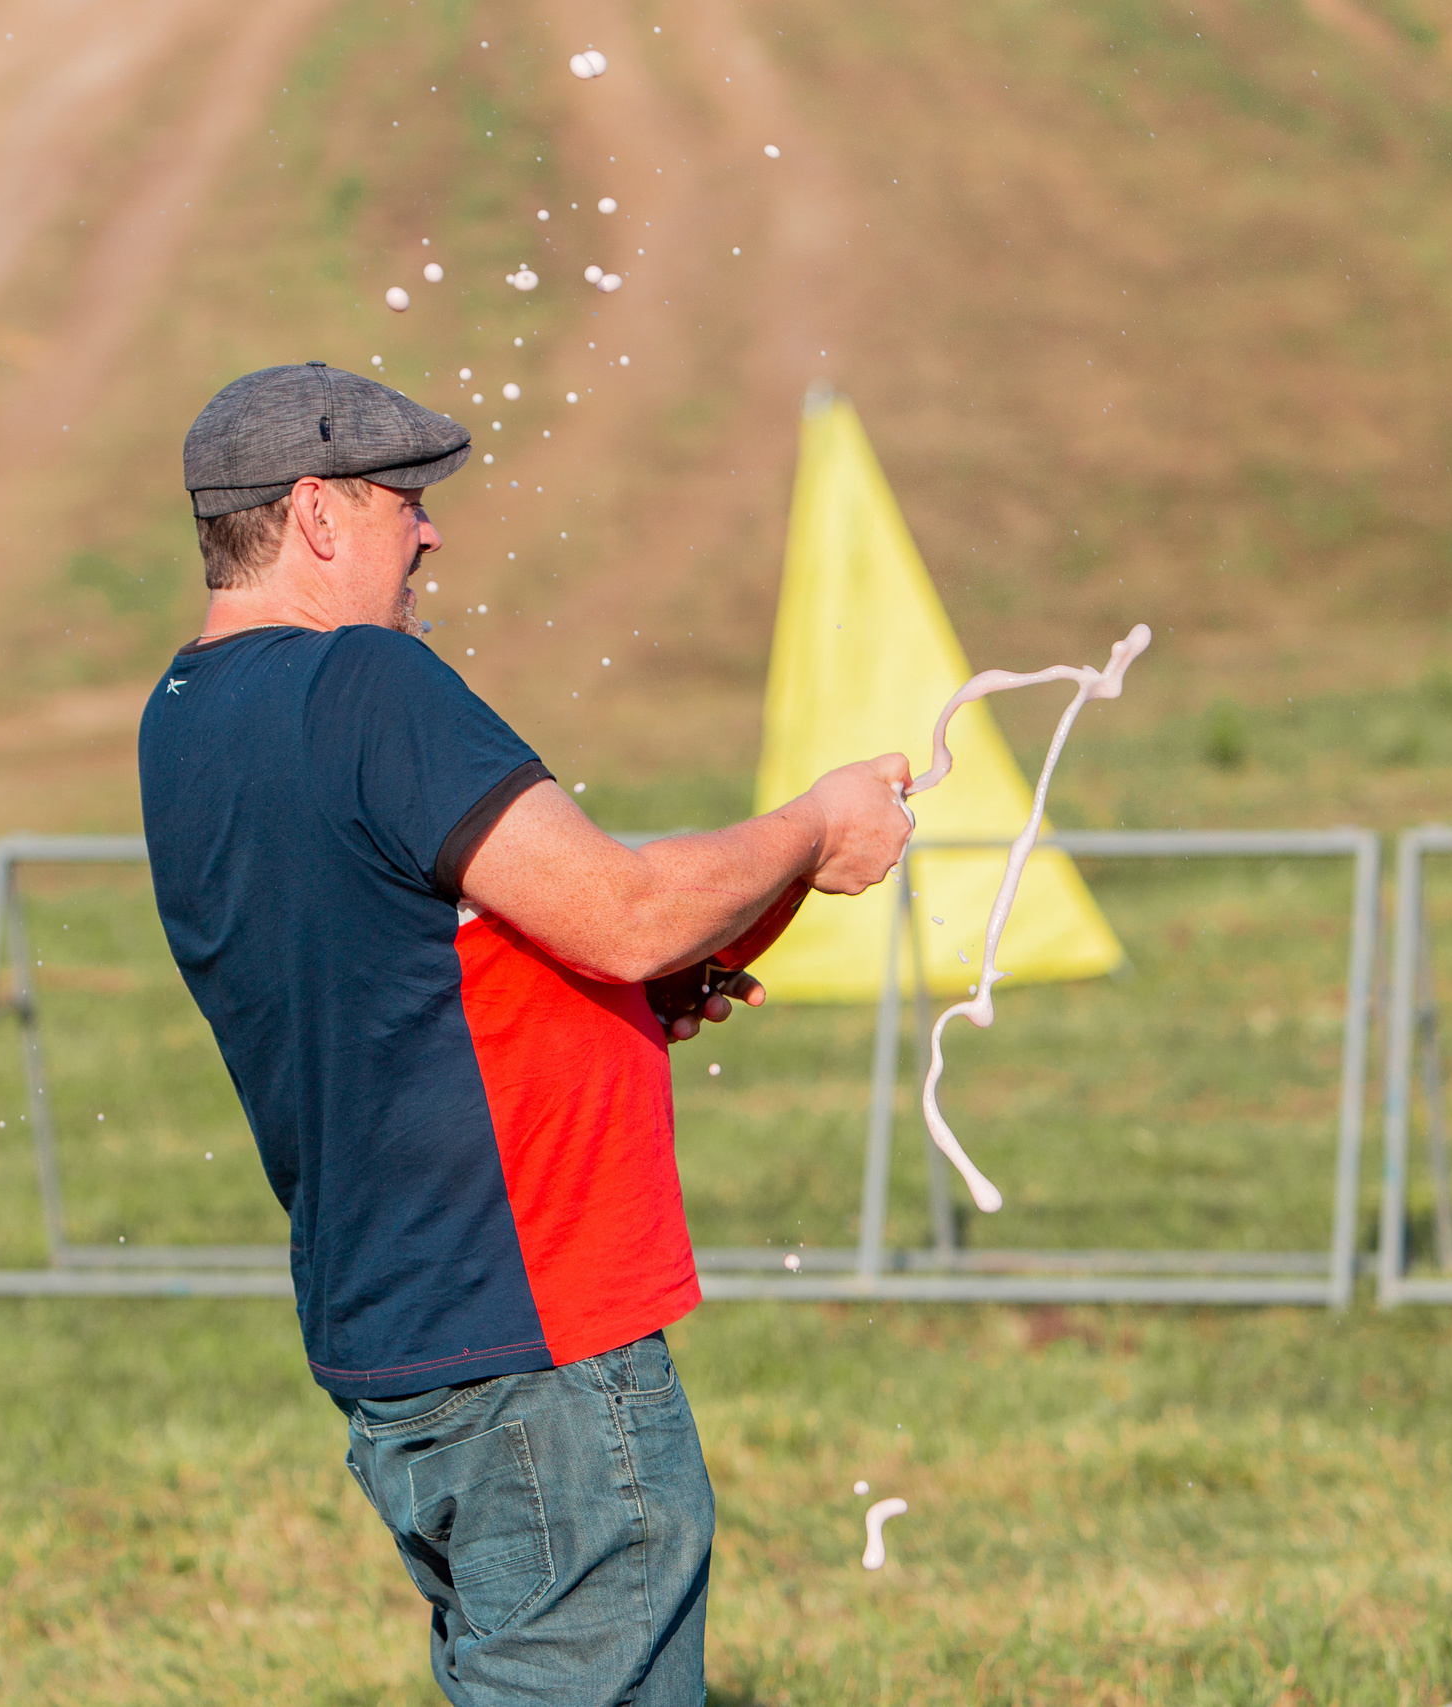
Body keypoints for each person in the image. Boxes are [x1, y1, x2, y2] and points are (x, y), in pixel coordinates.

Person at [137, 362, 914, 1705]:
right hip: (531, 1345)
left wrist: (620, 997)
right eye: (405, 502)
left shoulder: (184, 717)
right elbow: (623, 911)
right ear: (318, 514)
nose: (430, 530)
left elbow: (381, 954)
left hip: (398, 1330)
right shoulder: (367, 683)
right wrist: (812, 829)